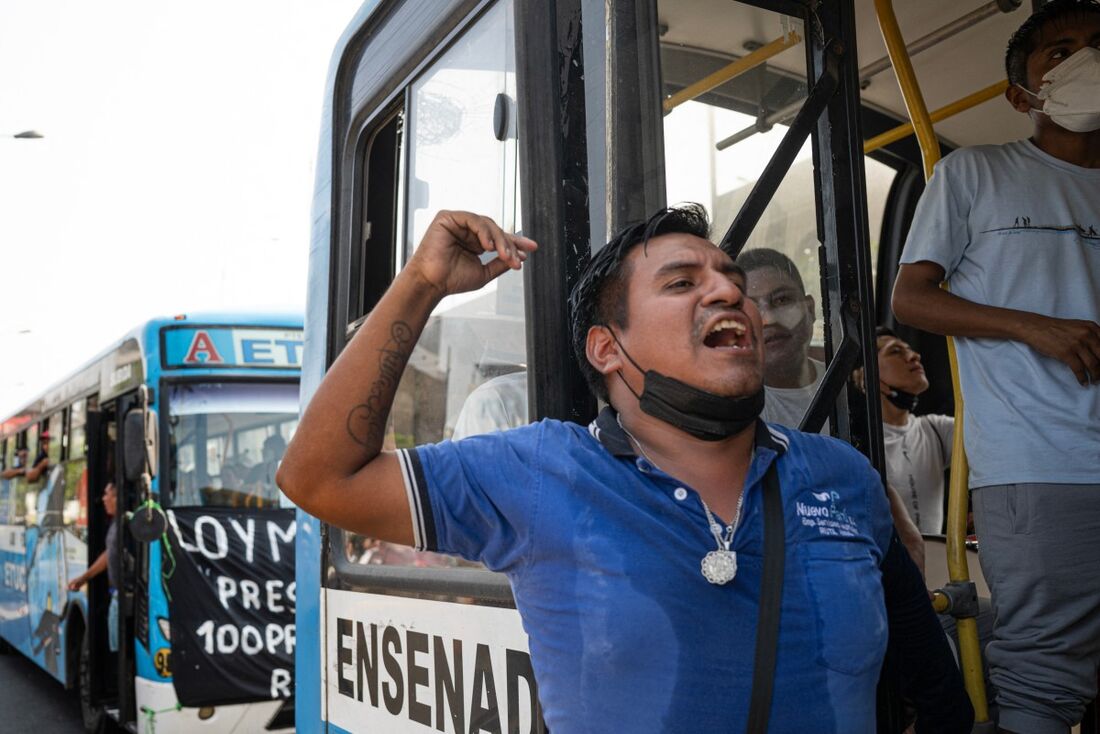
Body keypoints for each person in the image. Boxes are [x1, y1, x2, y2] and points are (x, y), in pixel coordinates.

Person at [279, 206, 971, 732]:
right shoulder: (541, 473)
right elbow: (318, 477)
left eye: (732, 281)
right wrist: (420, 283)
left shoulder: (843, 478)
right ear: (608, 350)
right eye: (682, 283)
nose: (730, 295)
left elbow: (934, 688)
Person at [891, 3, 1100, 731]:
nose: (1087, 61)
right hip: (1042, 459)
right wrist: (1030, 327)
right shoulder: (977, 172)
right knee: (1047, 669)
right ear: (1023, 95)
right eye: (1062, 52)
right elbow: (911, 297)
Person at [739, 249, 928, 574]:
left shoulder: (845, 387)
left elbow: (869, 469)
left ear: (811, 308)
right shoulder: (738, 404)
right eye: (753, 308)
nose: (769, 319)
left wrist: (905, 532)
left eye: (782, 300)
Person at [854, 327, 953, 536]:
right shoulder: (855, 443)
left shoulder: (935, 430)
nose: (914, 356)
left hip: (934, 562)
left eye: (910, 350)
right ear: (865, 375)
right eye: (895, 351)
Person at [67, 482, 120, 651]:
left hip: (121, 597)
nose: (103, 499)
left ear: (118, 498)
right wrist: (84, 578)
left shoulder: (127, 524)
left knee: (117, 649)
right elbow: (108, 556)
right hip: (116, 597)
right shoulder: (116, 524)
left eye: (108, 494)